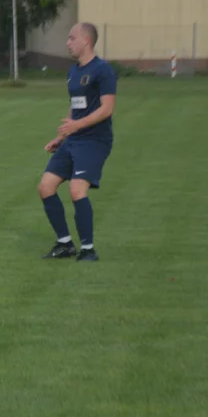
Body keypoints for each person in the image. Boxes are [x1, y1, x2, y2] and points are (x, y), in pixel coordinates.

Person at [38, 22, 117, 262]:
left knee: (76, 190)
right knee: (46, 187)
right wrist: (61, 137)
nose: (67, 43)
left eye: (72, 38)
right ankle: (64, 244)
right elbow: (76, 108)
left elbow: (107, 109)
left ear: (86, 41)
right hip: (73, 140)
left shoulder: (103, 70)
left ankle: (88, 250)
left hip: (94, 141)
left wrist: (76, 127)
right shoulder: (73, 72)